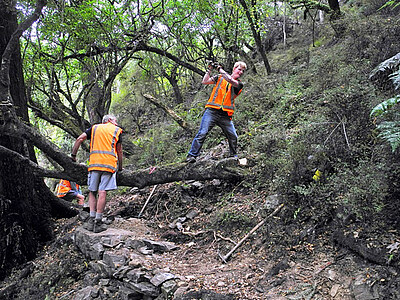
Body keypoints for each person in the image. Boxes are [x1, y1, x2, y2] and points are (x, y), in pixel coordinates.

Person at [71, 114, 123, 233]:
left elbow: (79, 139)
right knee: (102, 191)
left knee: (92, 191)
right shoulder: (117, 130)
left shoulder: (94, 128)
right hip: (109, 165)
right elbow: (119, 150)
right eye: (115, 120)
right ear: (109, 120)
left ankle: (91, 220)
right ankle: (98, 222)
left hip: (94, 164)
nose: (116, 122)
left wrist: (73, 156)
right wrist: (120, 167)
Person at [186, 61, 247, 163]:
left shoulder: (239, 84)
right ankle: (191, 156)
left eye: (243, 71)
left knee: (233, 136)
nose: (241, 72)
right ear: (234, 68)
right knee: (202, 133)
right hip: (212, 111)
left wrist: (219, 69)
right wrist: (209, 69)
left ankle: (233, 157)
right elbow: (204, 81)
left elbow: (230, 79)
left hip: (225, 115)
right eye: (239, 69)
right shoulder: (219, 77)